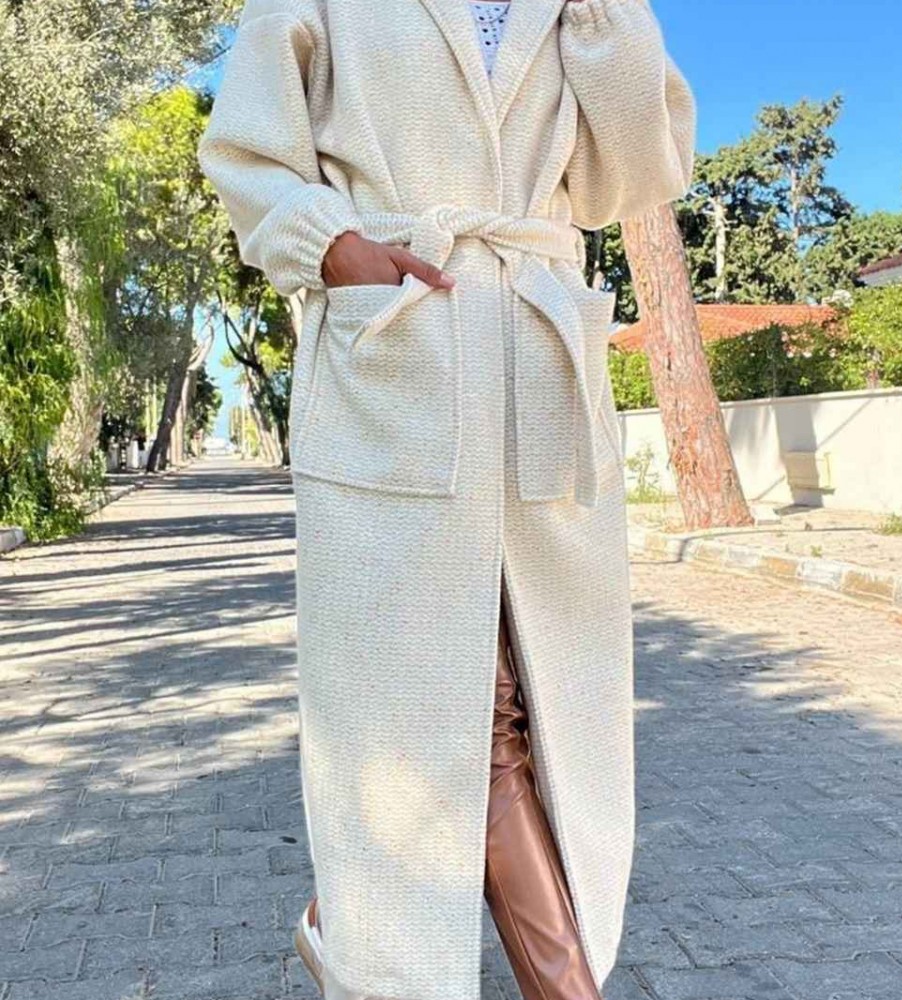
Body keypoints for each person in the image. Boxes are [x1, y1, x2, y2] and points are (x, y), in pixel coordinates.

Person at [198, 0, 695, 997]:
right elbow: (247, 153)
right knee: (464, 705)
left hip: (541, 378)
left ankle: (348, 922)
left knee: (552, 705)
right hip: (397, 369)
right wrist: (334, 248)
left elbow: (632, 176)